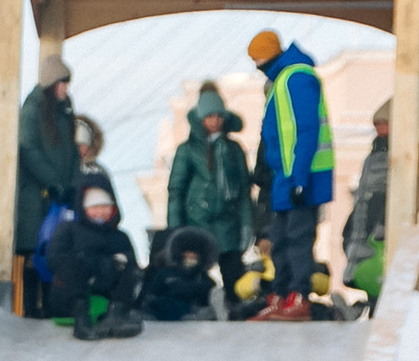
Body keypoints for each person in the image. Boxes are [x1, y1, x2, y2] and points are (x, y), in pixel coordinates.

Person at [249, 29, 335, 322]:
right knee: (280, 238)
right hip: (284, 176)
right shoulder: (281, 80)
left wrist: (299, 179)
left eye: (256, 58)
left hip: (301, 176)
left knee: (298, 238)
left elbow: (306, 129)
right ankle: (281, 295)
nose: (255, 65)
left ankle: (299, 296)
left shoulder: (296, 77)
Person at [165, 83, 256, 310]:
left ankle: (235, 309)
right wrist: (175, 231)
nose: (215, 121)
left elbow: (244, 191)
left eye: (219, 116)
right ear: (200, 119)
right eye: (209, 116)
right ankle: (196, 308)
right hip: (197, 223)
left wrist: (247, 224)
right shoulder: (187, 150)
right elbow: (176, 190)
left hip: (228, 223)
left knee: (234, 276)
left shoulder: (234, 150)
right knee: (191, 275)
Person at [16, 55, 84, 319]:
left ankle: (50, 304)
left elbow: (71, 153)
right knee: (36, 248)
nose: (65, 88)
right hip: (36, 195)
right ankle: (31, 307)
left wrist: (71, 185)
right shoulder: (32, 110)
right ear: (50, 83)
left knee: (54, 249)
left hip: (60, 195)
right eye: (62, 82)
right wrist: (52, 182)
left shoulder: (64, 111)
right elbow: (29, 149)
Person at [50, 180, 145, 340]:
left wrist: (113, 263)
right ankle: (81, 319)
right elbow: (53, 259)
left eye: (105, 207)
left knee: (126, 263)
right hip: (72, 293)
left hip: (105, 288)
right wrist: (89, 261)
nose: (100, 212)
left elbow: (133, 267)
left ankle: (116, 314)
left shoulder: (120, 237)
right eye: (95, 207)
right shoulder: (69, 230)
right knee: (68, 261)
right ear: (84, 208)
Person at [341, 99, 394, 311]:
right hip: (366, 214)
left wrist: (383, 220)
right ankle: (368, 304)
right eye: (377, 124)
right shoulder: (374, 154)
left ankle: (374, 305)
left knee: (377, 262)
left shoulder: (396, 153)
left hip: (380, 215)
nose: (379, 128)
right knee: (365, 260)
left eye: (385, 123)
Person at [140, 227, 221, 321]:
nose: (190, 258)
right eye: (186, 255)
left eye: (193, 255)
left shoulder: (205, 279)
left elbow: (208, 302)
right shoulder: (165, 274)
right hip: (163, 317)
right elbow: (151, 296)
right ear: (179, 254)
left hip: (194, 318)